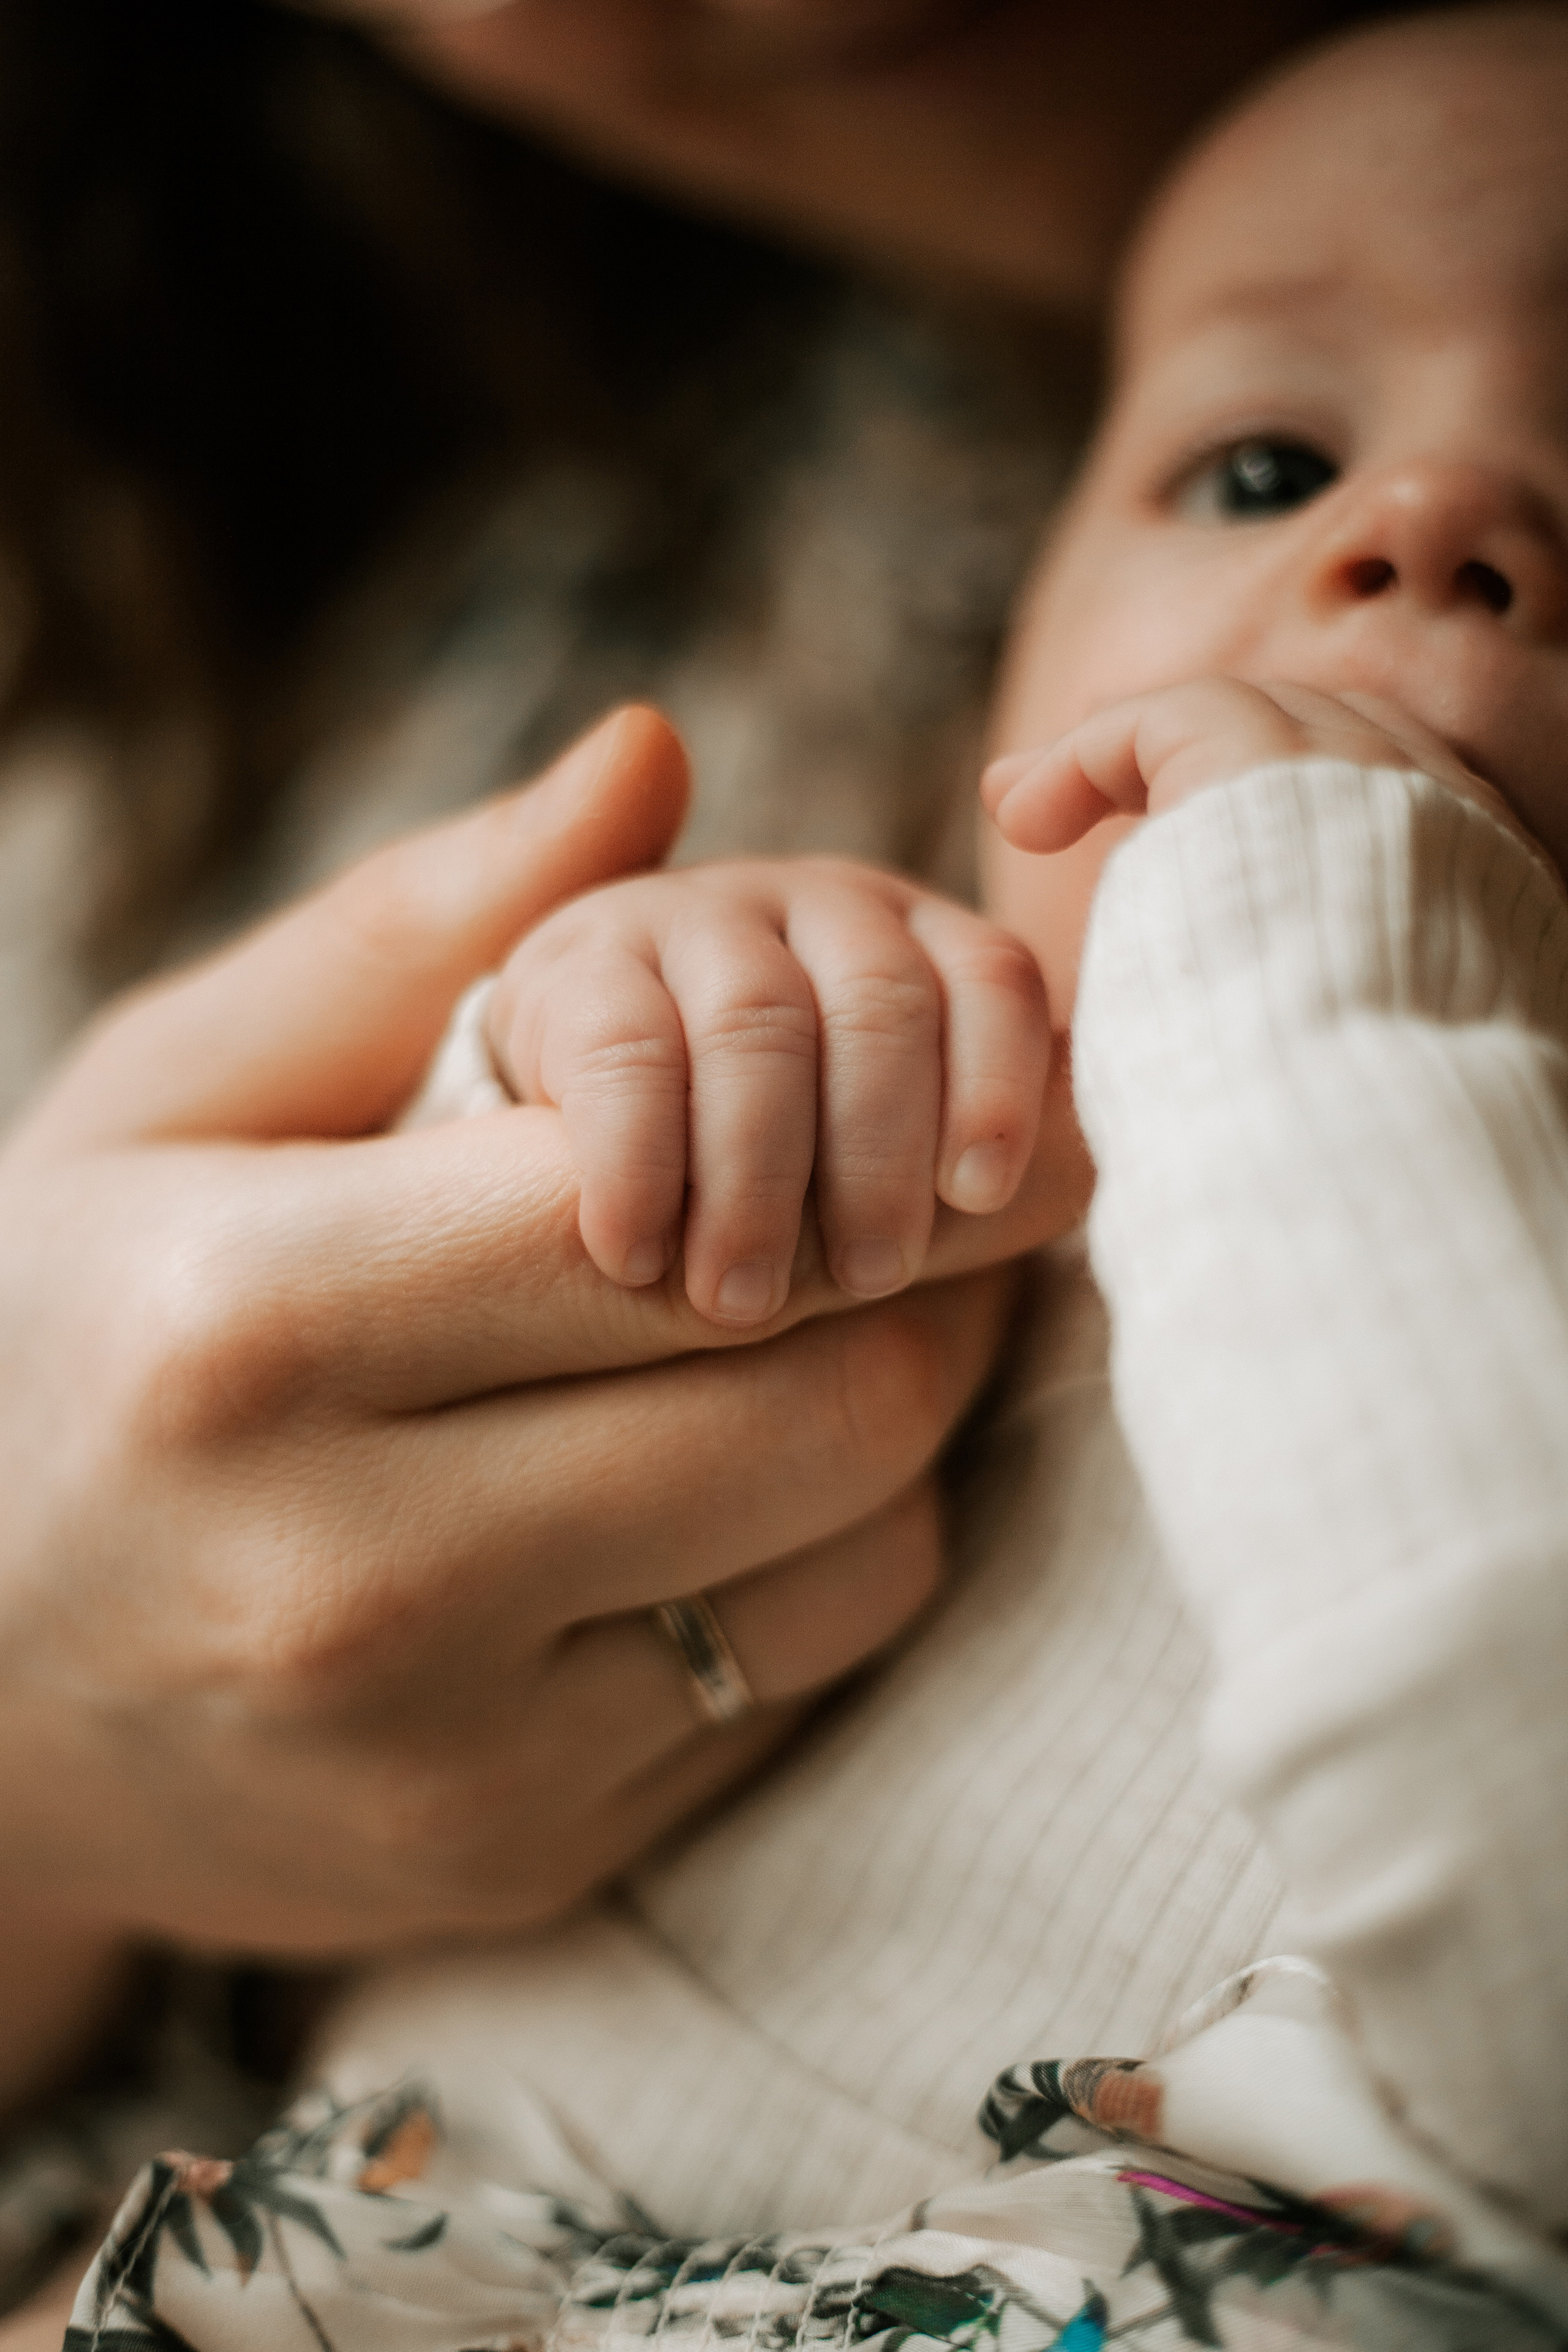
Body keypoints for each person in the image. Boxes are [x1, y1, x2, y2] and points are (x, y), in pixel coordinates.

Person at [65, 9, 1563, 2345]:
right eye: (1266, 463)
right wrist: (605, 1062)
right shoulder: (950, 1103)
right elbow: (394, 1469)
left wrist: (1310, 943)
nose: (1426, 526)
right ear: (1011, 676)